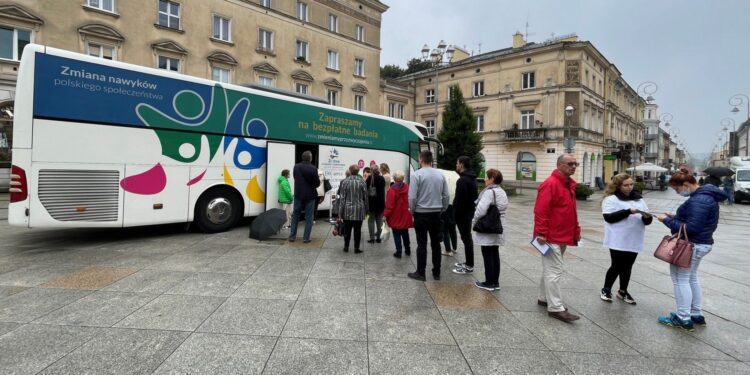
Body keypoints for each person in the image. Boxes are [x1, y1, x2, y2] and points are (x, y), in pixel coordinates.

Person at [656, 168, 727, 331]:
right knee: (691, 278)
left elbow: (692, 228)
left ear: (686, 184)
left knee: (680, 280)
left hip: (691, 245)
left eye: (677, 189)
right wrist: (675, 217)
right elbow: (697, 220)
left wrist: (666, 220)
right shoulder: (705, 196)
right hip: (702, 243)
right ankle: (696, 313)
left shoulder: (698, 200)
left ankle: (683, 317)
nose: (676, 192)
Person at [534, 154, 582, 323]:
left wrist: (576, 230)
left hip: (562, 235)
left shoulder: (567, 185)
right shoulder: (551, 184)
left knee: (550, 269)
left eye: (575, 164)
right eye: (570, 164)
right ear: (560, 165)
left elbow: (570, 211)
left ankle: (543, 298)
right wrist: (541, 233)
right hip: (550, 237)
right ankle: (555, 308)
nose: (574, 166)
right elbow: (541, 211)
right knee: (555, 271)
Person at [600, 173, 653, 305]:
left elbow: (646, 221)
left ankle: (623, 291)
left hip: (634, 237)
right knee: (616, 265)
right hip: (618, 238)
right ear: (618, 186)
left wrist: (647, 217)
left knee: (628, 266)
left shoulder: (639, 200)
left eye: (631, 184)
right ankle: (606, 289)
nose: (629, 187)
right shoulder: (611, 199)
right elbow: (609, 218)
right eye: (626, 185)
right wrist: (628, 211)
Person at [407, 150, 450, 281]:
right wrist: (443, 208)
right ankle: (436, 272)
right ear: (431, 160)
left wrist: (412, 210)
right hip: (436, 214)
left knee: (422, 243)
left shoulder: (416, 175)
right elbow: (446, 195)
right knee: (436, 244)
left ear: (421, 160)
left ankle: (421, 273)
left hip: (421, 213)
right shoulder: (440, 175)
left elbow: (412, 197)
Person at [472, 169, 508, 291]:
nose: (484, 179)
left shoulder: (489, 192)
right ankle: (495, 282)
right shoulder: (501, 191)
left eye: (486, 177)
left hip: (488, 226)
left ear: (492, 178)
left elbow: (481, 210)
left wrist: (473, 221)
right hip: (498, 225)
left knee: (487, 253)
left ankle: (489, 282)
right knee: (494, 253)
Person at [452, 156, 478, 275]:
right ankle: (468, 262)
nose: (456, 165)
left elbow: (460, 199)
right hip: (468, 212)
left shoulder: (462, 180)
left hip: (463, 214)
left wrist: (455, 211)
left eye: (457, 163)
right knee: (467, 238)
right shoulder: (471, 178)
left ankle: (469, 266)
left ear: (461, 164)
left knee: (466, 238)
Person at [289, 151, 320, 243]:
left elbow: (295, 177)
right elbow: (317, 183)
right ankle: (306, 238)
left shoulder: (296, 166)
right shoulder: (313, 168)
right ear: (310, 158)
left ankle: (292, 236)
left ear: (302, 157)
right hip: (310, 195)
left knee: (295, 215)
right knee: (309, 216)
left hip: (298, 194)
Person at [337, 164, 369, 253]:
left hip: (347, 210)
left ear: (350, 171)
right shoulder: (362, 182)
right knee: (357, 230)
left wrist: (340, 212)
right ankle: (356, 248)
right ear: (358, 171)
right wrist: (367, 209)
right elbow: (365, 197)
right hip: (359, 210)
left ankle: (346, 246)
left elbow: (342, 198)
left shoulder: (345, 182)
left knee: (347, 229)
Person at [383, 170, 413, 258]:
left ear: (394, 178)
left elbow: (389, 206)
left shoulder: (392, 190)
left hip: (395, 215)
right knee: (405, 232)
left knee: (396, 233)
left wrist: (385, 215)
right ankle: (408, 249)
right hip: (405, 214)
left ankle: (399, 252)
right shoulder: (407, 188)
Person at [366, 166, 386, 243]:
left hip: (371, 202)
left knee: (371, 220)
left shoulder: (370, 178)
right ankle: (379, 238)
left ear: (371, 171)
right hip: (380, 202)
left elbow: (366, 188)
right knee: (379, 220)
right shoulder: (382, 178)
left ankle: (372, 238)